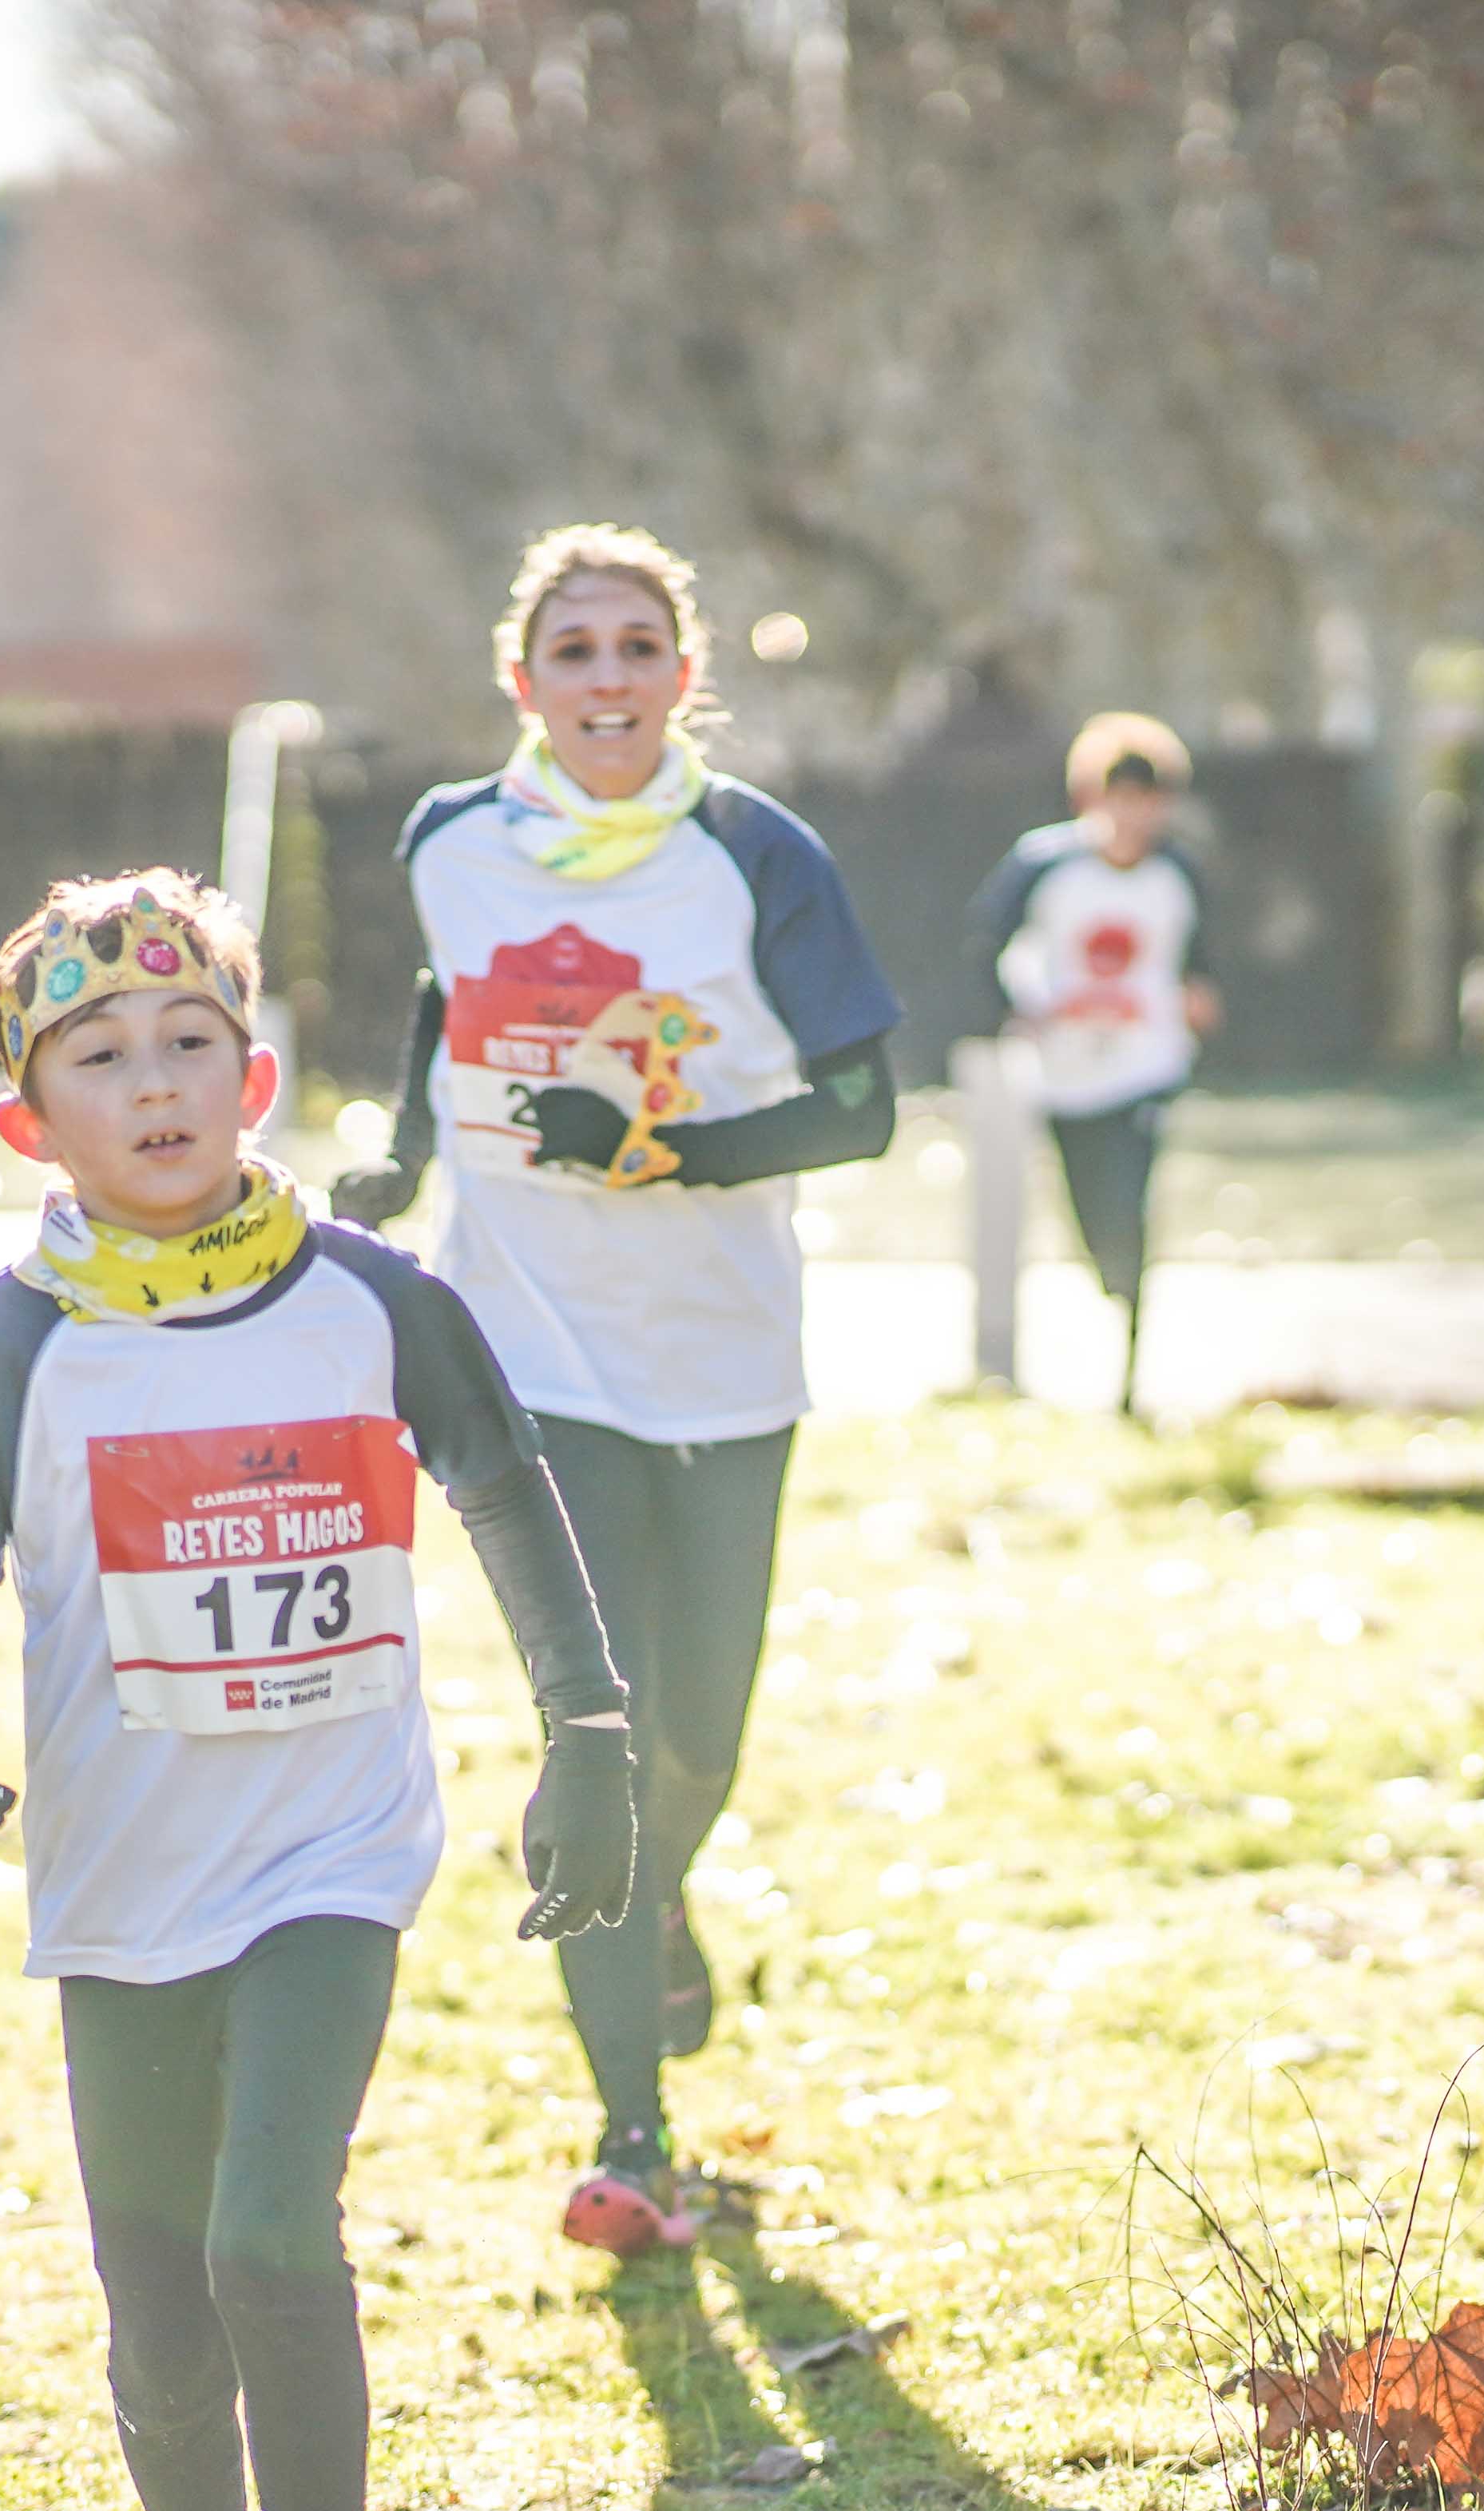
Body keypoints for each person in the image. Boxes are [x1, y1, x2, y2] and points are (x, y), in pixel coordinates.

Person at [0, 867, 639, 2511]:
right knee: (154, 2302)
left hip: (328, 1852)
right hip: (119, 1884)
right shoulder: (12, 1346)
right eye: (102, 1056)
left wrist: (593, 1734)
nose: (158, 1080)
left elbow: (509, 1495)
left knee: (269, 2238)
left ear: (259, 1073)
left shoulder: (372, 1301)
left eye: (192, 1042)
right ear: (35, 1123)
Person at [330, 524, 902, 2258]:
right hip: (524, 1346)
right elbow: (443, 1008)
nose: (604, 679)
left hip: (723, 1354)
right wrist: (402, 1154)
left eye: (634, 647)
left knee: (697, 1737)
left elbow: (865, 1104)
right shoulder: (452, 841)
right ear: (523, 680)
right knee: (598, 1728)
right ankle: (630, 2133)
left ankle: (658, 1910)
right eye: (570, 650)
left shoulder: (753, 855)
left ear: (683, 674)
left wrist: (660, 1149)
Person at [964, 712, 1220, 1417]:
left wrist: (1199, 997)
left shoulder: (1178, 873)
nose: (1136, 814)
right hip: (1065, 1071)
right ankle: (1110, 1298)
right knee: (1089, 1214)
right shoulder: (1045, 866)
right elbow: (989, 942)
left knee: (1131, 1208)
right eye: (1123, 794)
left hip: (1146, 1066)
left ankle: (1131, 1374)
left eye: (1151, 797)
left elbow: (1198, 957)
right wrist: (1019, 1012)